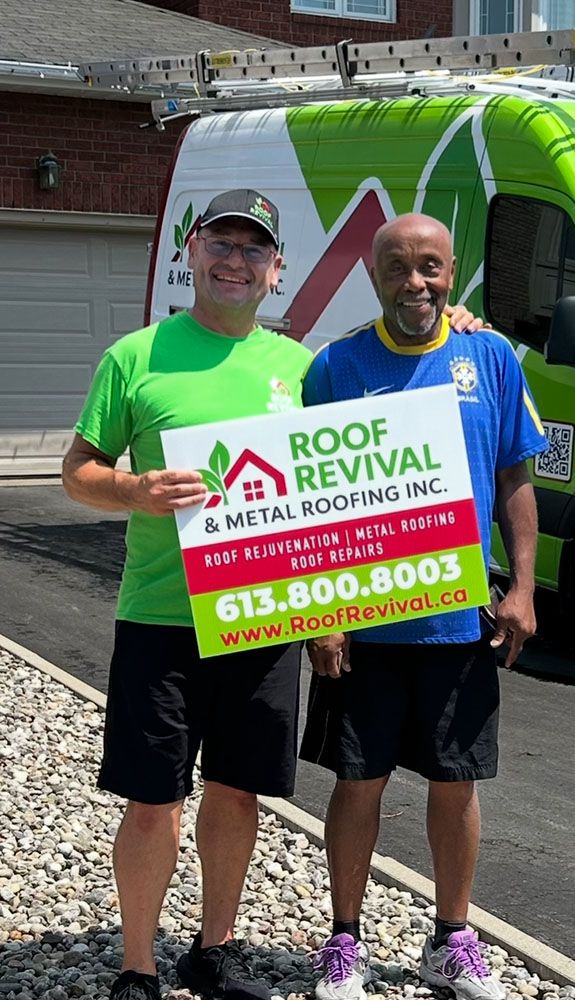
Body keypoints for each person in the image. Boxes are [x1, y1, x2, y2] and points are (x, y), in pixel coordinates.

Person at [62, 190, 484, 1000]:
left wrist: (457, 322)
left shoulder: (302, 366)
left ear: (277, 270)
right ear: (193, 251)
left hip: (262, 622)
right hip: (161, 618)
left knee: (237, 792)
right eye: (222, 242)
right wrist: (134, 488)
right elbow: (77, 472)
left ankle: (213, 950)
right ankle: (137, 968)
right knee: (154, 801)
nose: (235, 260)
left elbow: (356, 472)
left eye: (255, 249)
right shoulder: (136, 356)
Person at [300, 214, 548, 1000]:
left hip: (458, 621)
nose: (417, 283)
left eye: (431, 267)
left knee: (457, 782)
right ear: (374, 277)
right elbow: (311, 503)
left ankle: (451, 939)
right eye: (400, 268)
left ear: (453, 272)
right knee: (358, 781)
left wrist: (522, 587)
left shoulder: (492, 356)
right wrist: (322, 615)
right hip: (365, 625)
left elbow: (515, 480)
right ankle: (345, 941)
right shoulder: (335, 366)